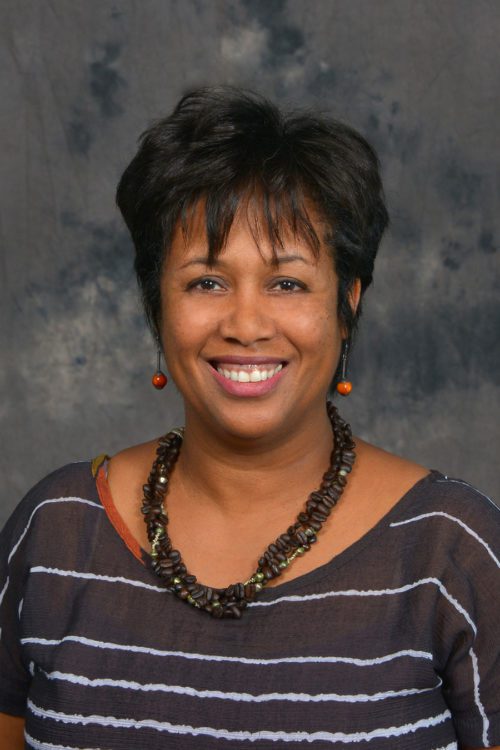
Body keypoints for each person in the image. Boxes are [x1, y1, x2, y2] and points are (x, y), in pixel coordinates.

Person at [1, 87, 499, 750]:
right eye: (206, 282)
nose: (245, 324)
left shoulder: (452, 549)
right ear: (157, 305)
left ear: (347, 302)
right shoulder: (57, 531)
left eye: (287, 283)